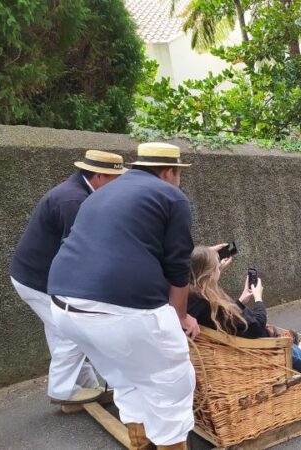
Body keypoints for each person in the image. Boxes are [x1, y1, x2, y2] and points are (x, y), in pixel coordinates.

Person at [48, 142, 197, 450]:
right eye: (179, 173)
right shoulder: (171, 196)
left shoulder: (100, 193)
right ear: (169, 172)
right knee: (171, 385)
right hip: (122, 311)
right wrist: (180, 317)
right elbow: (178, 265)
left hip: (64, 304)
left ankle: (141, 442)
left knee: (126, 379)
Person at [10, 150, 126, 404]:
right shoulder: (73, 201)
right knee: (73, 331)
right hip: (38, 280)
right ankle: (62, 390)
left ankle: (84, 385)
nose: (118, 185)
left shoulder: (79, 193)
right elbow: (80, 251)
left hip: (35, 275)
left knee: (60, 331)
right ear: (98, 176)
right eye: (115, 178)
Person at [186, 246, 301, 372]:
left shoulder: (192, 299)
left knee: (281, 337)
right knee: (282, 345)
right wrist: (258, 298)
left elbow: (227, 319)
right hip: (257, 348)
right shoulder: (211, 305)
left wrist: (241, 301)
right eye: (217, 267)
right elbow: (256, 325)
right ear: (209, 274)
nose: (220, 269)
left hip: (233, 342)